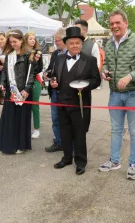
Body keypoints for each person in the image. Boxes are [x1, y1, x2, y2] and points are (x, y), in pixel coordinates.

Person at [98, 10, 135, 180]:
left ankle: (134, 164)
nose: (114, 26)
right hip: (115, 93)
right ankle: (115, 161)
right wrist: (104, 72)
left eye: (117, 23)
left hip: (134, 93)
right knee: (116, 129)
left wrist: (130, 76)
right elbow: (106, 62)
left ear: (126, 23)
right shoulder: (109, 43)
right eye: (111, 23)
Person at [51, 26, 101, 175]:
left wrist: (84, 86)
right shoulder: (59, 58)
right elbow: (54, 76)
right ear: (66, 44)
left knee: (79, 134)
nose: (75, 46)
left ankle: (80, 162)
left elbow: (96, 81)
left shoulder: (90, 60)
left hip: (80, 104)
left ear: (81, 43)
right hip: (62, 102)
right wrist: (53, 83)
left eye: (78, 43)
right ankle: (66, 158)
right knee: (64, 132)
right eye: (72, 43)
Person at [0, 30, 36, 154]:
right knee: (10, 118)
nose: (13, 44)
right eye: (11, 42)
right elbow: (5, 73)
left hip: (23, 92)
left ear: (21, 40)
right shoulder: (9, 55)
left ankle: (21, 145)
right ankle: (8, 142)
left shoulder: (29, 54)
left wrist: (27, 89)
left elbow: (32, 74)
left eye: (15, 41)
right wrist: (2, 83)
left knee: (21, 119)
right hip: (11, 91)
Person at [44, 27, 67, 153]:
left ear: (64, 40)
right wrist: (46, 74)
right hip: (54, 92)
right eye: (54, 40)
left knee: (66, 119)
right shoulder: (55, 53)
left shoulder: (70, 54)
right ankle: (58, 141)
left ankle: (68, 143)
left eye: (57, 40)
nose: (55, 43)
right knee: (55, 118)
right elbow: (50, 68)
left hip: (65, 93)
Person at [24, 31, 43, 139]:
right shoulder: (22, 52)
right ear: (26, 40)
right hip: (23, 82)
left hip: (35, 81)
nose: (33, 40)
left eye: (34, 38)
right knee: (24, 105)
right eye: (30, 38)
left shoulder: (38, 53)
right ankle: (25, 127)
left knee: (35, 105)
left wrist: (35, 62)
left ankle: (36, 129)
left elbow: (39, 68)